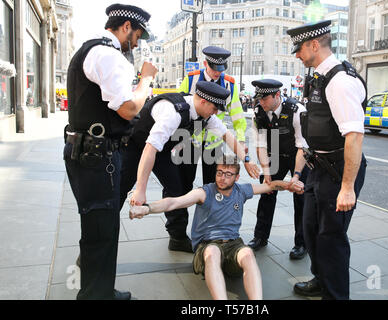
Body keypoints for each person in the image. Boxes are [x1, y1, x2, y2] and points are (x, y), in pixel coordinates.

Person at [63, 4, 158, 300]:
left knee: (98, 227)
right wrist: (146, 79)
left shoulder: (91, 49)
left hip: (88, 153)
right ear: (127, 26)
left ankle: (99, 288)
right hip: (98, 156)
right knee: (102, 231)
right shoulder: (107, 54)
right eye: (138, 35)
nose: (138, 43)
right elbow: (129, 108)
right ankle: (95, 296)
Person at [129, 155, 305, 300]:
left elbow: (270, 185)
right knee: (213, 252)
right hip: (207, 246)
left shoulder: (241, 190)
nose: (222, 178)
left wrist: (290, 185)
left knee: (248, 253)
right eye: (220, 172)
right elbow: (174, 202)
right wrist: (147, 208)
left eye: (228, 174)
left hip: (232, 244)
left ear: (236, 177)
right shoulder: (205, 192)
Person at [123, 81, 260, 253]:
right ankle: (101, 239)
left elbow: (227, 136)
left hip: (162, 152)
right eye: (215, 108)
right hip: (136, 147)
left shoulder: (206, 117)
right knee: (119, 191)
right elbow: (149, 149)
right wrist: (140, 189)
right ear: (203, 102)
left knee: (177, 189)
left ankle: (177, 238)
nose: (216, 113)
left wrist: (247, 160)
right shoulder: (173, 112)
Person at [287, 20, 367, 300]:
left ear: (313, 45)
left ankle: (335, 295)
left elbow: (354, 137)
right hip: (318, 168)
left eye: (298, 48)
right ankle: (320, 279)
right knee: (310, 230)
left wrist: (348, 187)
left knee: (331, 237)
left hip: (338, 171)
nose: (296, 54)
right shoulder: (319, 77)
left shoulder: (340, 82)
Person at [247, 79, 309, 260]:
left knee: (302, 198)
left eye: (264, 98)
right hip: (274, 155)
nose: (261, 103)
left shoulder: (297, 111)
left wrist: (296, 175)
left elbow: (303, 147)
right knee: (266, 193)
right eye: (258, 99)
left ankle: (302, 243)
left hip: (298, 155)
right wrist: (266, 173)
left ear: (277, 95)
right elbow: (260, 145)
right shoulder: (258, 113)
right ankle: (260, 237)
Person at [178, 46, 248, 185]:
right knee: (183, 180)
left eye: (221, 68)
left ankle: (209, 207)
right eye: (214, 68)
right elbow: (179, 106)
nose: (218, 72)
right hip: (190, 138)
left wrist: (240, 139)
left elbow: (237, 115)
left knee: (213, 183)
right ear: (205, 64)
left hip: (214, 140)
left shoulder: (229, 83)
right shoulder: (192, 79)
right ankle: (180, 206)